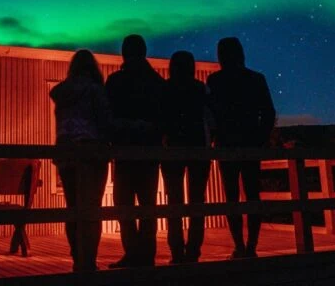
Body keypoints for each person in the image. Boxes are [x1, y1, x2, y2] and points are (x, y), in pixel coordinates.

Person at [207, 37, 276, 259]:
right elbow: (268, 112)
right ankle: (250, 246)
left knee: (232, 197)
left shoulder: (215, 81)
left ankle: (240, 245)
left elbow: (211, 115)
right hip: (250, 144)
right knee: (252, 195)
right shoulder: (255, 79)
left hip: (227, 145)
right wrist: (260, 139)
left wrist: (214, 138)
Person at [105, 34, 165, 268]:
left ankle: (133, 252)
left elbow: (108, 116)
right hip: (149, 151)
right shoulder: (157, 82)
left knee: (124, 202)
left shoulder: (116, 81)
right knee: (146, 203)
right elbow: (163, 117)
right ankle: (146, 254)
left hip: (125, 151)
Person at [50, 49, 112, 272]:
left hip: (66, 153)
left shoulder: (63, 93)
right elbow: (105, 122)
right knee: (91, 208)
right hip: (91, 152)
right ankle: (89, 261)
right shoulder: (95, 91)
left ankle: (77, 257)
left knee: (73, 207)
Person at [159, 51, 213, 264]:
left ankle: (176, 251)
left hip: (172, 148)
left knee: (174, 200)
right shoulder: (201, 89)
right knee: (197, 200)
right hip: (198, 148)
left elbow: (161, 118)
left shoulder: (165, 88)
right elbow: (209, 118)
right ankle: (193, 251)